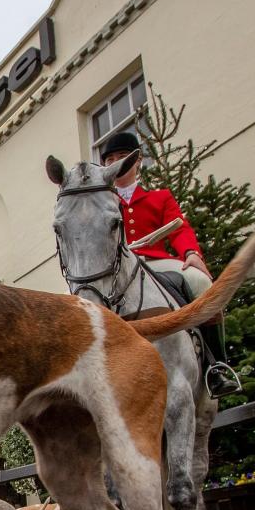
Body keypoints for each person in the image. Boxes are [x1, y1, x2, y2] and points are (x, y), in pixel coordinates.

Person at [100, 131, 239, 397]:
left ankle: (217, 366)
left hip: (156, 263)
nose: (115, 163)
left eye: (121, 157)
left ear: (137, 160)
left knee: (201, 283)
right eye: (110, 159)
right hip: (118, 269)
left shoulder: (159, 198)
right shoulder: (103, 200)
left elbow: (179, 229)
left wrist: (190, 252)